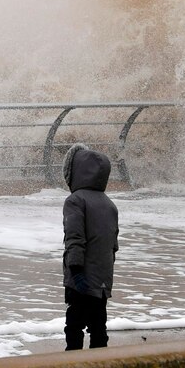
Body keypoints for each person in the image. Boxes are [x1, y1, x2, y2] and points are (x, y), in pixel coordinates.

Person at [61, 143, 119, 350]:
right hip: (103, 279)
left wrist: (76, 272)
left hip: (82, 278)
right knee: (98, 326)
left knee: (74, 327)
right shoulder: (109, 204)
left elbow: (75, 239)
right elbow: (113, 246)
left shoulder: (75, 201)